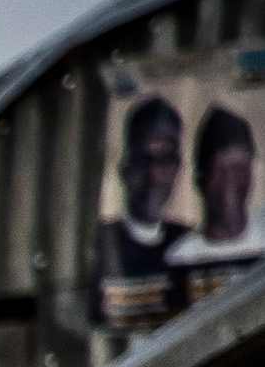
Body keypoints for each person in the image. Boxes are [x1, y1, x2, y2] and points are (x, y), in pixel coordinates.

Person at [104, 95, 192, 326]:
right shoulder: (101, 246)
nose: (154, 175)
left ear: (177, 168)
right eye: (145, 159)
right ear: (125, 168)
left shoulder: (190, 243)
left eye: (165, 159)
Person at [191, 106, 258, 261]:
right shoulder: (180, 258)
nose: (230, 183)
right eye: (220, 171)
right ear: (200, 179)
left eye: (239, 169)